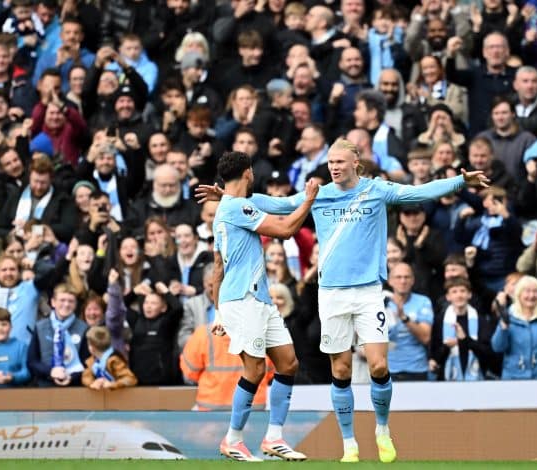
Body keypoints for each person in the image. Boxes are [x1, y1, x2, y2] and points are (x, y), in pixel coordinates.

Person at [197, 138, 489, 463]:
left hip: (367, 292)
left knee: (377, 364)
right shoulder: (319, 195)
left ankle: (381, 429)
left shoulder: (376, 190)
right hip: (331, 294)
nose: (334, 167)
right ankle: (349, 442)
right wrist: (227, 198)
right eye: (330, 162)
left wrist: (461, 181)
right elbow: (274, 205)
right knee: (341, 367)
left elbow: (418, 192)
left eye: (339, 161)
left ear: (356, 163)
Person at [212, 150, 317, 462]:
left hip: (257, 299)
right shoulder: (236, 208)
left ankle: (274, 438)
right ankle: (232, 439)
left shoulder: (235, 205)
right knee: (255, 369)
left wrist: (219, 311)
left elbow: (218, 267)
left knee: (287, 363)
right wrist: (310, 201)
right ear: (247, 173)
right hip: (242, 299)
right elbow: (285, 229)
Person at [491, 275, 537, 380]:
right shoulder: (509, 315)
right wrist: (504, 325)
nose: (531, 295)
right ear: (519, 294)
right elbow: (498, 347)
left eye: (535, 291)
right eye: (527, 291)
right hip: (514, 379)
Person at [384, 262, 433, 381]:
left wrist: (403, 317)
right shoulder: (380, 302)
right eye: (398, 277)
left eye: (407, 277)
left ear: (413, 280)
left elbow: (425, 337)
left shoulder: (423, 302)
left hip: (416, 368)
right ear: (390, 281)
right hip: (387, 369)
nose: (403, 281)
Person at [81, 326, 137, 390]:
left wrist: (113, 384)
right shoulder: (92, 361)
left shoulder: (114, 360)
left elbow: (130, 379)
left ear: (91, 348)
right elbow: (85, 377)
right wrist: (92, 383)